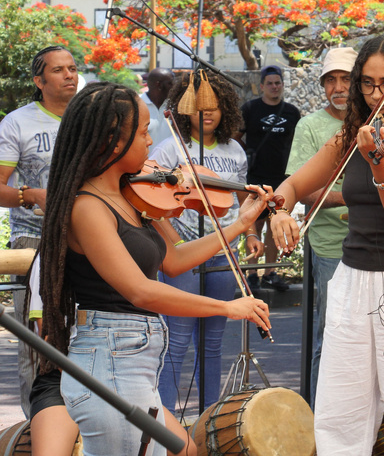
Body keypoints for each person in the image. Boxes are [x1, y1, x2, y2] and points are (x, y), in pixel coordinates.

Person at [38, 81, 271, 455]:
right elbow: (140, 290)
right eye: (144, 132)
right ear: (114, 142)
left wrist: (241, 223)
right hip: (110, 358)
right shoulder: (88, 208)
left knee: (186, 451)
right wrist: (228, 308)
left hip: (133, 360)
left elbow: (175, 259)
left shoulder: (133, 194)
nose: (151, 142)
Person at [270, 34, 384, 455]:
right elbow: (296, 183)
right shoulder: (354, 133)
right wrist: (281, 209)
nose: (375, 94)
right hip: (353, 279)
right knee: (340, 409)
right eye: (366, 84)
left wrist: (379, 163)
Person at [150, 70, 264, 413]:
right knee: (177, 341)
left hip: (221, 252)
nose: (208, 113)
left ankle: (208, 419)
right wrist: (174, 242)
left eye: (215, 106)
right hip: (184, 253)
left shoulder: (236, 151)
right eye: (200, 107)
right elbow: (150, 202)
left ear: (225, 108)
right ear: (185, 109)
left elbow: (243, 200)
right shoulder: (171, 148)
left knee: (212, 343)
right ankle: (166, 423)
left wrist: (251, 233)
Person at [0, 45, 78, 418]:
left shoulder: (89, 118)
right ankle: (37, 428)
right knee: (37, 341)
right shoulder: (17, 123)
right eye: (59, 70)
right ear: (38, 80)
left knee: (83, 336)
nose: (69, 75)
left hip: (86, 240)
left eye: (73, 68)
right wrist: (28, 194)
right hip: (33, 244)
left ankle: (80, 427)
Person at [285, 46, 357, 408]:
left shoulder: (376, 121)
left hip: (375, 244)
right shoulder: (310, 126)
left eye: (346, 79)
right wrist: (353, 197)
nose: (339, 87)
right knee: (330, 337)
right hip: (331, 246)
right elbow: (302, 190)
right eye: (331, 80)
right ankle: (319, 419)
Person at [236, 65, 301, 291]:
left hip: (281, 179)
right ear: (262, 86)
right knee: (254, 226)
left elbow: (297, 143)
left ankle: (271, 273)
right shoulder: (250, 108)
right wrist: (248, 155)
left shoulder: (292, 112)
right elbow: (236, 138)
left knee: (276, 227)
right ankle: (251, 274)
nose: (275, 87)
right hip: (255, 177)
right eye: (270, 83)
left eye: (278, 83)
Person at [140, 68, 176, 146]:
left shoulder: (175, 106)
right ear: (158, 85)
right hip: (145, 158)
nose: (174, 87)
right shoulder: (137, 104)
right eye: (170, 83)